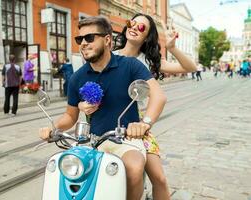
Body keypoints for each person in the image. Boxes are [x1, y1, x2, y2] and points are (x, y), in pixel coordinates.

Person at [39, 16, 167, 200]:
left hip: (126, 138)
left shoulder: (130, 66)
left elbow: (158, 95)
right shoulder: (77, 77)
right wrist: (52, 128)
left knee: (134, 167)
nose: (83, 43)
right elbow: (70, 115)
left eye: (89, 38)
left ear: (107, 40)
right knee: (65, 171)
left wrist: (144, 123)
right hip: (92, 141)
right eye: (79, 39)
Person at [80, 13, 196, 200]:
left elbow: (190, 67)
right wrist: (81, 104)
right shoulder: (108, 55)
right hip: (106, 127)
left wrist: (172, 48)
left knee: (159, 178)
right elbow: (85, 86)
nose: (134, 27)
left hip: (138, 127)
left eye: (141, 27)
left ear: (147, 36)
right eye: (131, 23)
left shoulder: (149, 62)